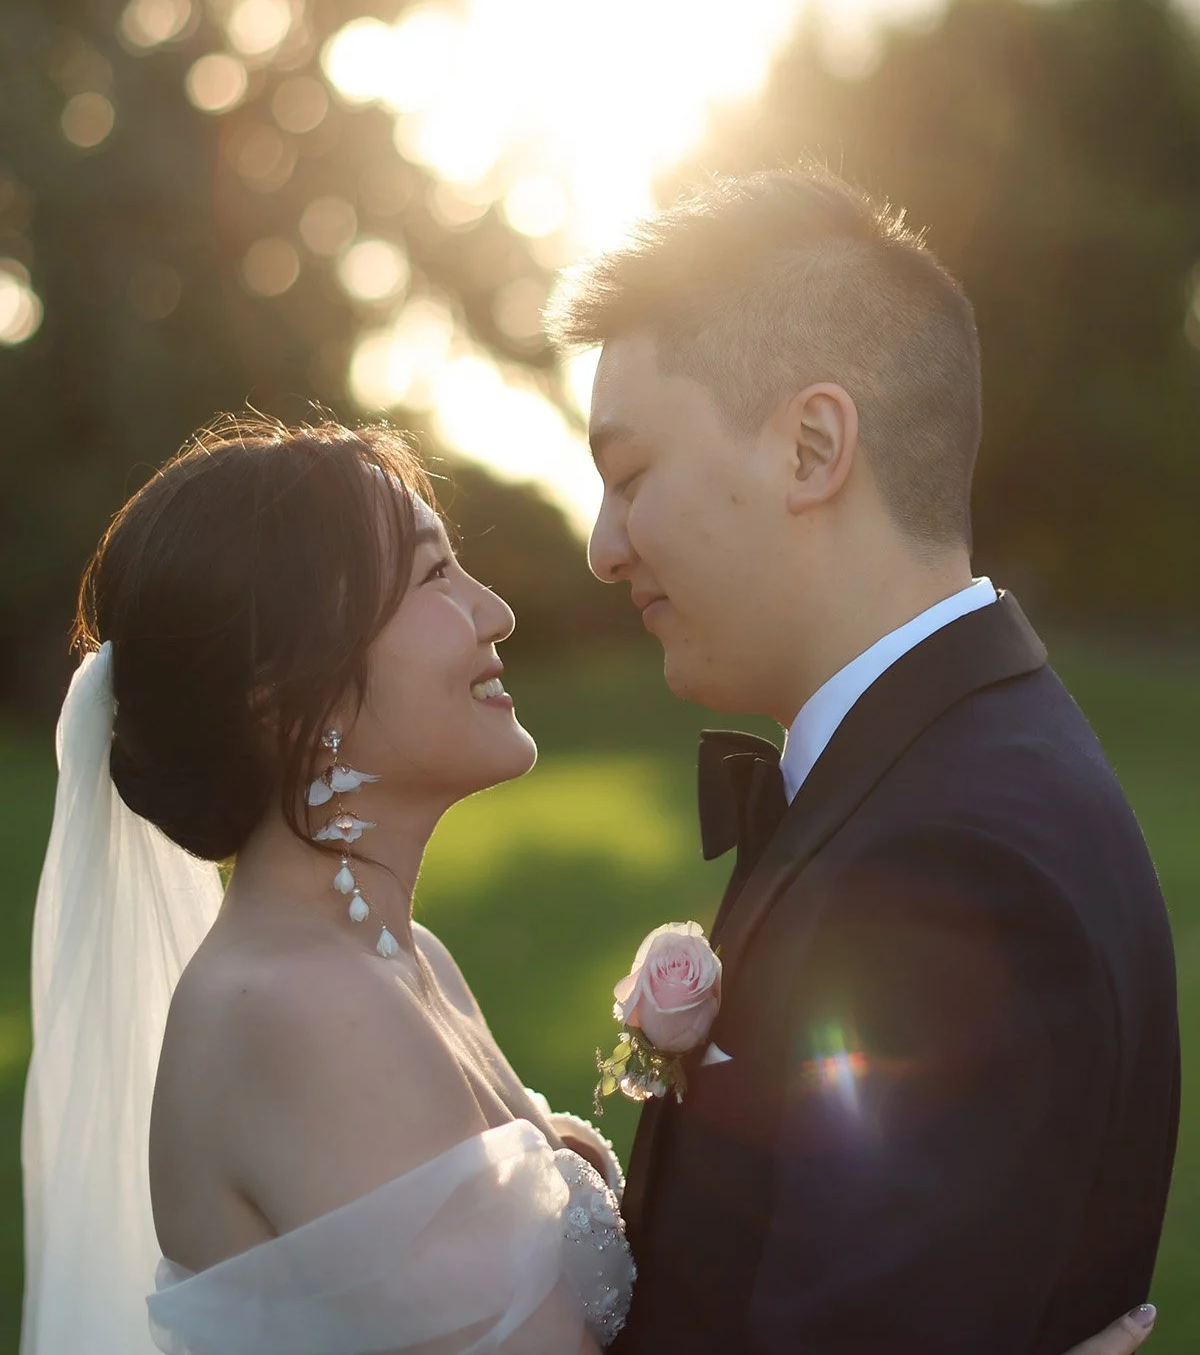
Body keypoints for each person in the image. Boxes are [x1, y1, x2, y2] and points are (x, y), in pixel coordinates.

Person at [18, 415, 1166, 1355]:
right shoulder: (291, 1014)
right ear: (282, 689)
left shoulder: (404, 966)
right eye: (430, 575)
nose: (495, 609)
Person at [548, 165, 1181, 1354]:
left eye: (630, 477)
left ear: (812, 446)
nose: (602, 547)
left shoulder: (955, 862)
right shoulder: (930, 781)